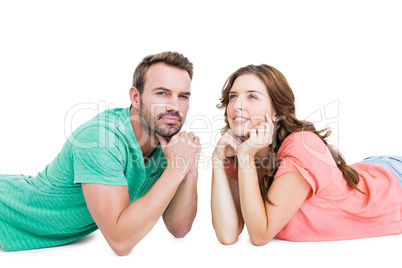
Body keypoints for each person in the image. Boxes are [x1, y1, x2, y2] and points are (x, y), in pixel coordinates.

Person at [0, 51, 201, 255]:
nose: (175, 106)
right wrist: (176, 170)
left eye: (183, 96)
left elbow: (179, 228)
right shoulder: (100, 138)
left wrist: (188, 169)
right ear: (135, 97)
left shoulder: (171, 148)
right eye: (162, 93)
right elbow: (121, 242)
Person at [211, 64, 402, 245]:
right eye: (233, 96)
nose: (237, 105)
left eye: (252, 97)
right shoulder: (241, 150)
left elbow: (260, 235)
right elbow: (228, 234)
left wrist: (246, 157)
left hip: (391, 187)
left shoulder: (301, 145)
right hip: (367, 171)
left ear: (276, 113)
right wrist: (217, 161)